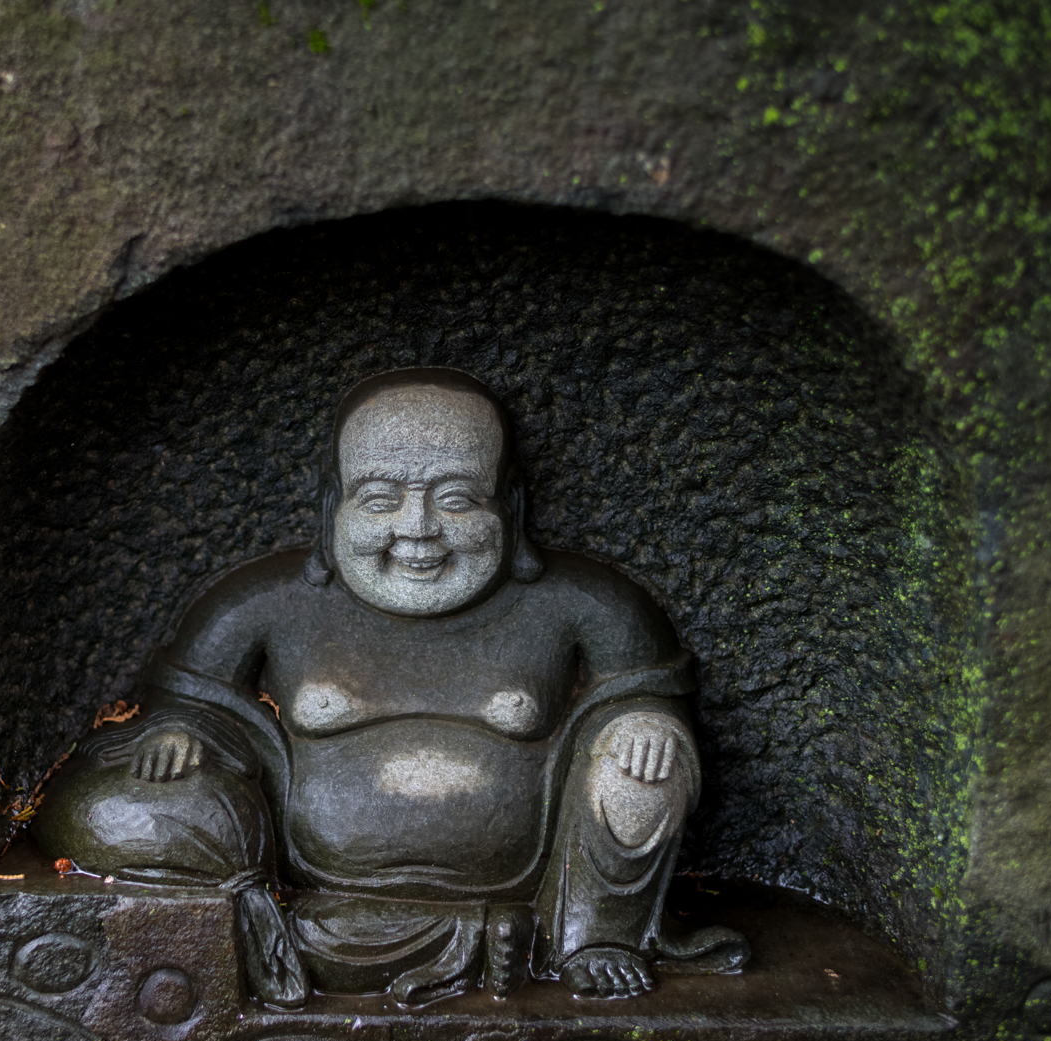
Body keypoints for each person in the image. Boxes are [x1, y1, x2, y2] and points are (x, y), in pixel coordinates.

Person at [36, 368, 746, 1007]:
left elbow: (638, 696)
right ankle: (475, 937)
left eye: (459, 499)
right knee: (116, 808)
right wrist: (179, 733)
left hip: (532, 869)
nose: (417, 529)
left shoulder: (586, 605)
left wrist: (643, 721)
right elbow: (191, 706)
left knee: (644, 759)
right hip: (312, 873)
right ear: (330, 508)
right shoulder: (261, 604)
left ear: (512, 506)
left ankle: (591, 940)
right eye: (379, 498)